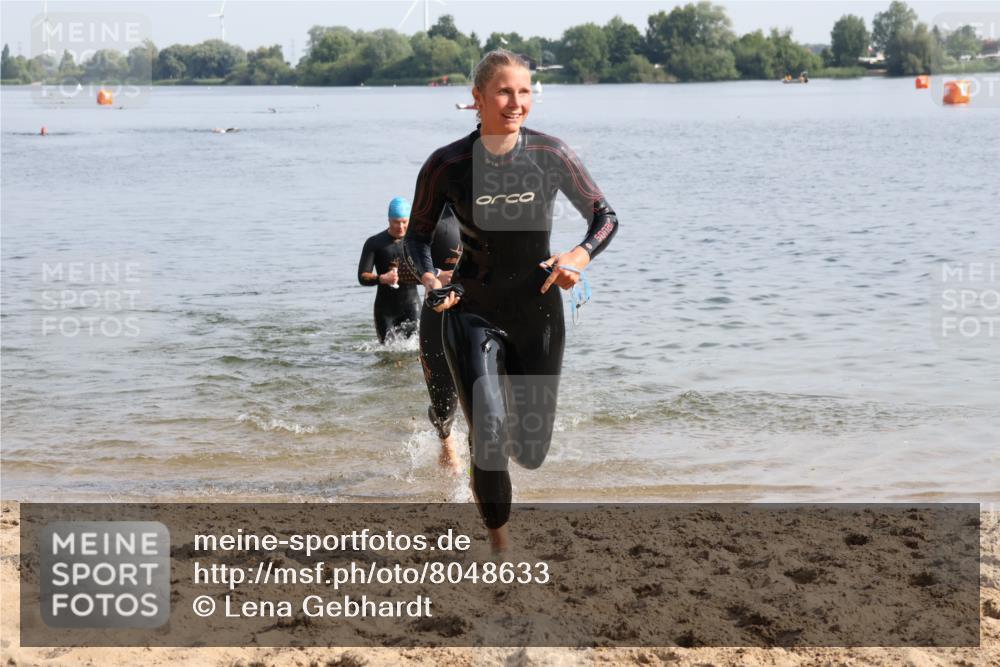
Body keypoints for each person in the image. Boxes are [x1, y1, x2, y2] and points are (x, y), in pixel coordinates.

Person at [404, 49, 618, 550]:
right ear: (477, 99)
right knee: (491, 432)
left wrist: (579, 256)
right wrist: (431, 278)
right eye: (503, 91)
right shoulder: (447, 164)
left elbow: (605, 216)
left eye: (524, 91)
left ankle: (498, 454)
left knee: (531, 450)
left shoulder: (550, 155)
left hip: (537, 311)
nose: (515, 102)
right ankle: (499, 541)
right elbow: (416, 237)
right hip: (470, 309)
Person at [415, 205, 463, 474]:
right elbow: (408, 255)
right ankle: (446, 440)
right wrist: (432, 276)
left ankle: (481, 466)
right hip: (435, 315)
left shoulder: (490, 212)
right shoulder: (428, 217)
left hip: (476, 313)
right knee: (443, 403)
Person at [358, 197, 421, 344]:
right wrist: (382, 278)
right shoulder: (374, 243)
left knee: (416, 353)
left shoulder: (417, 242)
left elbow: (430, 271)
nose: (400, 226)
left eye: (404, 222)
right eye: (396, 222)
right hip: (385, 311)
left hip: (412, 306)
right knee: (388, 354)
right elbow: (362, 276)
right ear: (389, 220)